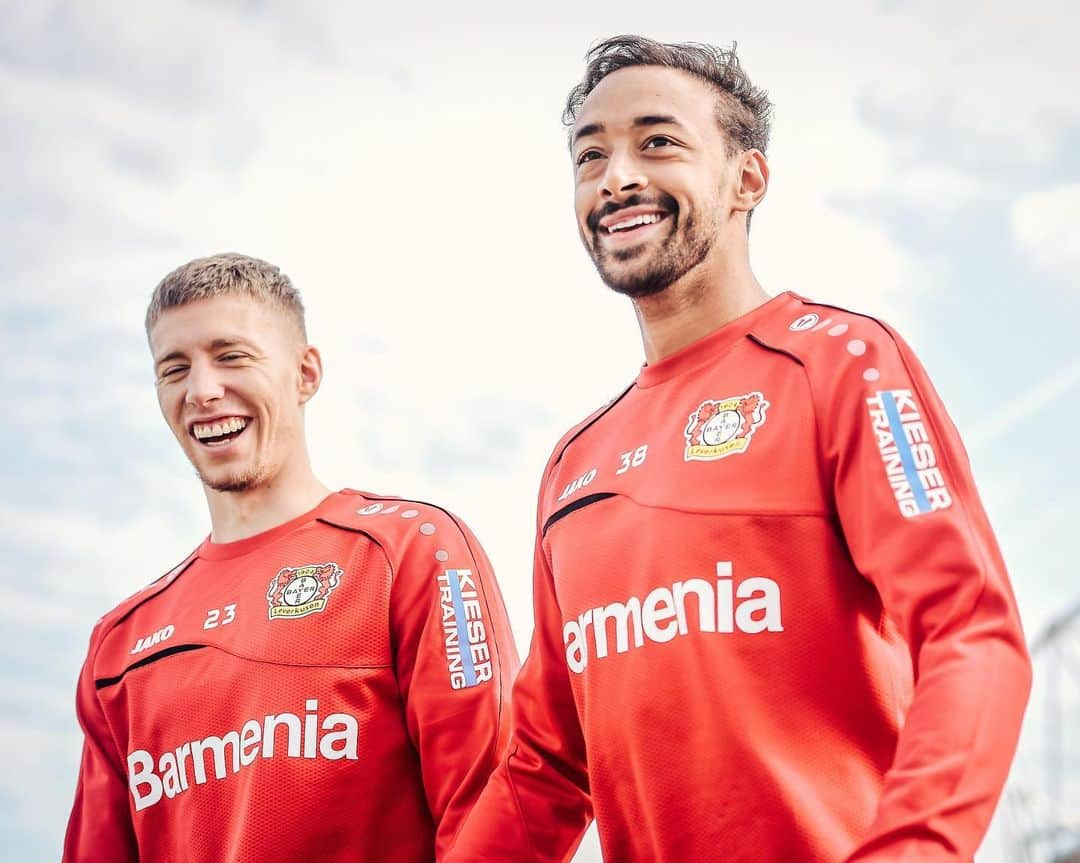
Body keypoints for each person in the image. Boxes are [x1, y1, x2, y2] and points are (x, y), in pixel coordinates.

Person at [448, 36, 1031, 863]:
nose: (615, 177)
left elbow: (970, 633)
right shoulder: (574, 463)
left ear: (747, 179)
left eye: (658, 141)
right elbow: (543, 767)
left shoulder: (841, 363)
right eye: (590, 155)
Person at [63, 254, 519, 862]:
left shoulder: (410, 553)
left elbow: (494, 818)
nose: (202, 391)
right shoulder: (119, 647)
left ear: (305, 374)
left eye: (231, 356)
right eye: (175, 369)